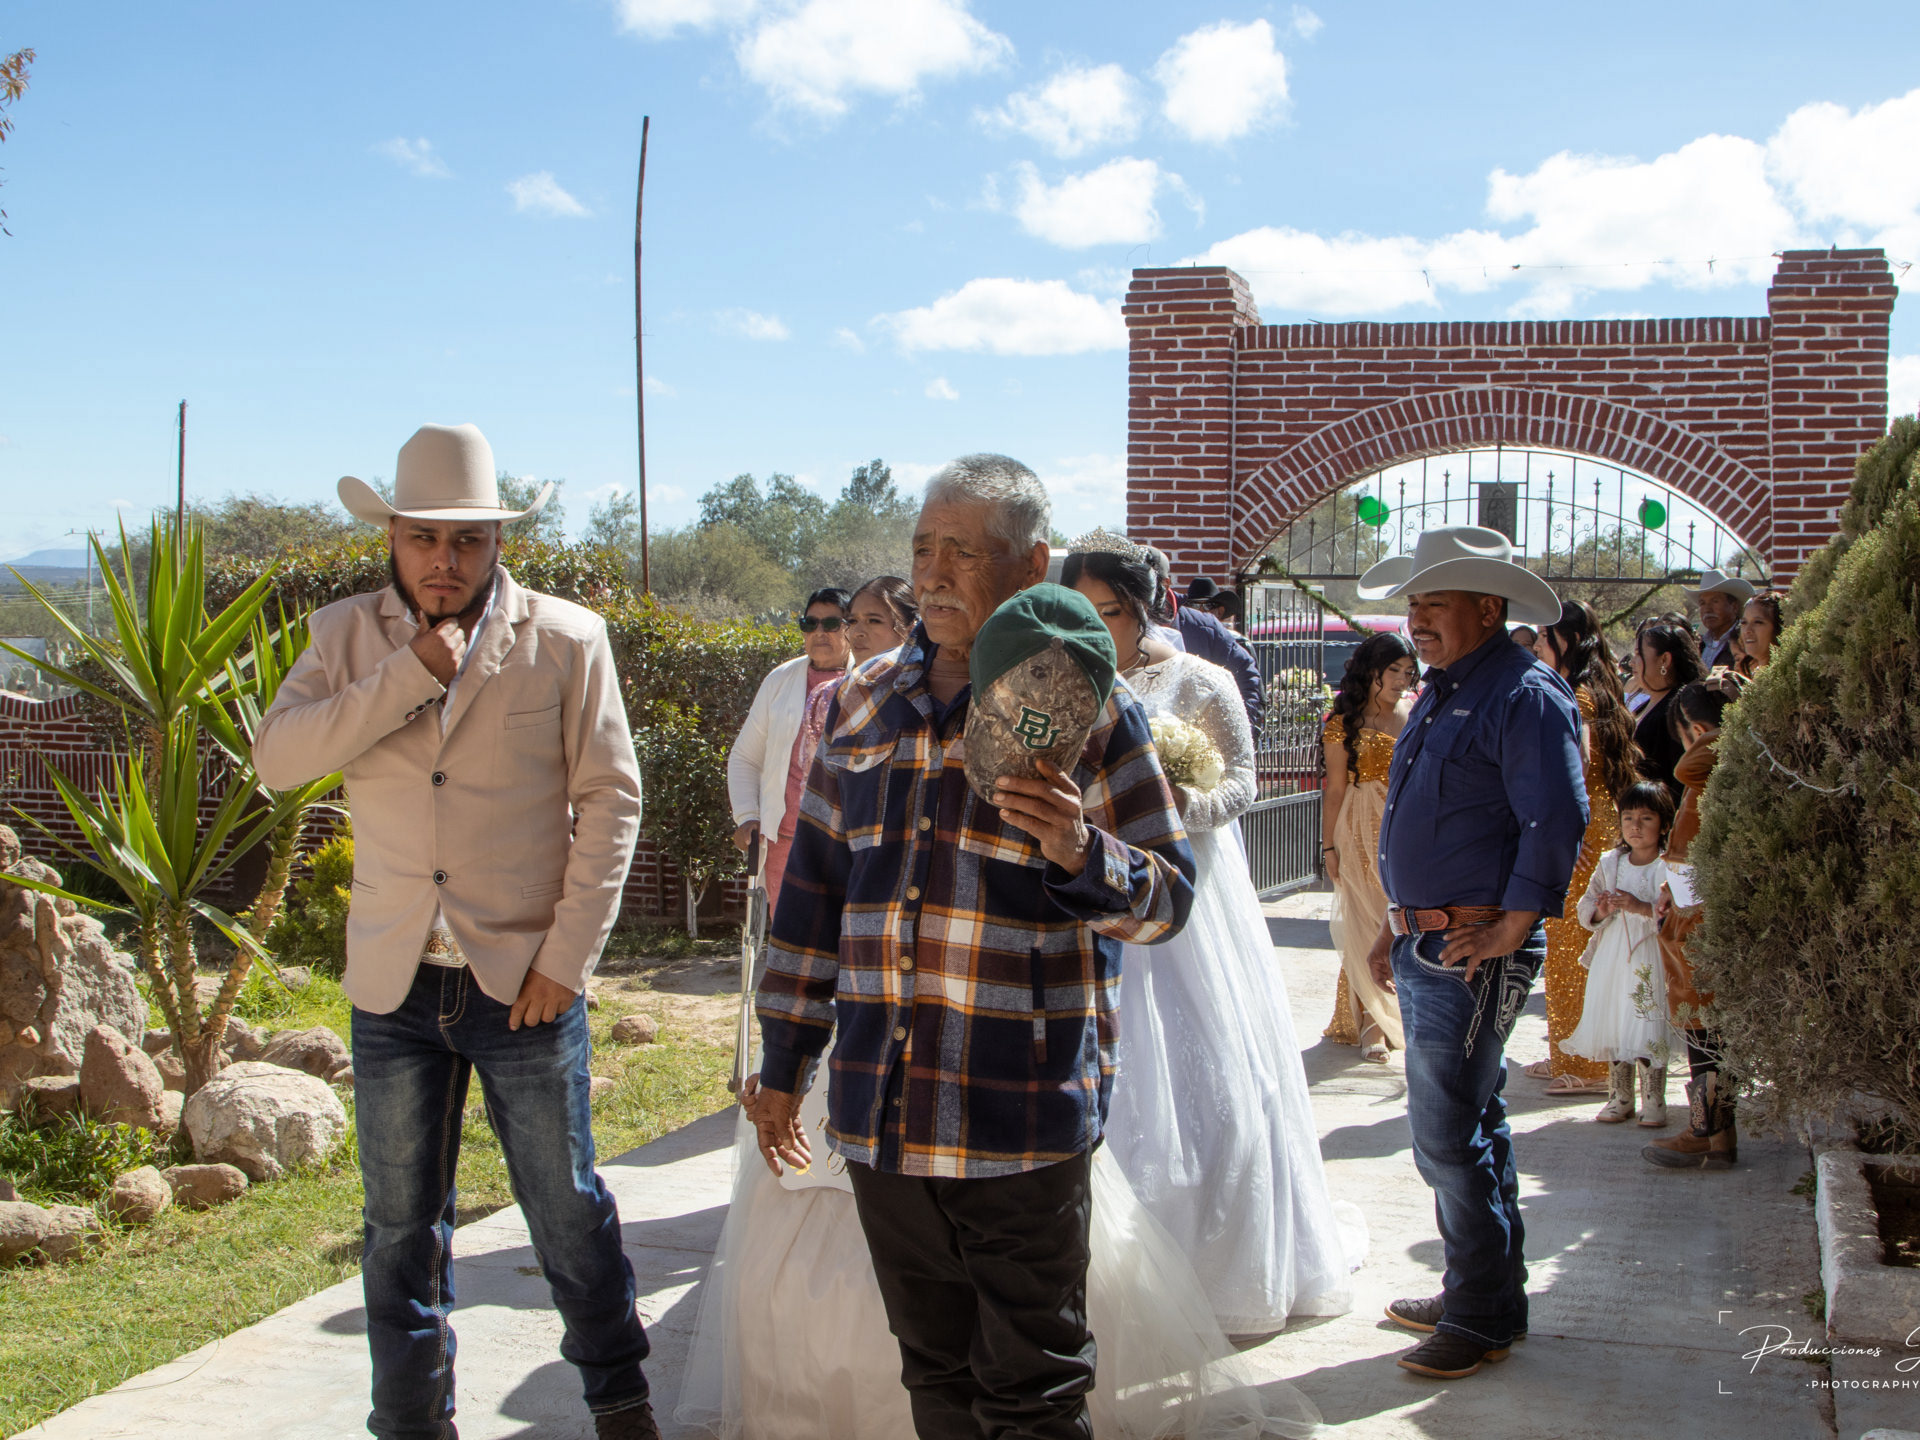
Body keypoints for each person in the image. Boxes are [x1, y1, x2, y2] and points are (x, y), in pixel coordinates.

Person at [750, 455, 1200, 1439]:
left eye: (965, 550)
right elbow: (812, 903)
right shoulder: (860, 704)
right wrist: (782, 1063)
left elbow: (1167, 902)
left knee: (1035, 1388)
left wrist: (1080, 849)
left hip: (1020, 1113)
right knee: (935, 1375)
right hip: (883, 1111)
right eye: (924, 549)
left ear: (1032, 563)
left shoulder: (1092, 710)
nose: (936, 573)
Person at [254, 424, 658, 1440]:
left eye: (468, 539)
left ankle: (621, 1405)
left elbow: (612, 799)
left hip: (523, 983)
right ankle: (411, 1424)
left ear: (497, 544)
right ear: (391, 536)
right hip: (393, 986)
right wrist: (407, 674)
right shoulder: (342, 637)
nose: (446, 559)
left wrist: (567, 959)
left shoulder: (568, 638)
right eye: (425, 536)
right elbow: (278, 760)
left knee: (565, 1210)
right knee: (398, 1228)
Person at [1066, 533, 1358, 1334]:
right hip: (1089, 884)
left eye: (1109, 612)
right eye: (1081, 612)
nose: (1095, 629)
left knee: (1213, 1084)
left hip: (1181, 890)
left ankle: (1213, 1266)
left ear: (1145, 607)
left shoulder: (1201, 679)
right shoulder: (1062, 677)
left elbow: (1241, 785)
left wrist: (1159, 808)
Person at [1356, 525, 1586, 1381]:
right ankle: (1482, 1295)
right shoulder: (1449, 689)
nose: (1416, 619)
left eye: (1434, 603)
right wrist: (1393, 922)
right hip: (1431, 938)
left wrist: (1513, 927)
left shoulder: (1523, 693)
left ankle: (1480, 1313)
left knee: (1447, 1135)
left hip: (1473, 948)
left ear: (1489, 608)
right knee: (1471, 1122)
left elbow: (1556, 818)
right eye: (1412, 603)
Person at [1525, 600, 1642, 1098]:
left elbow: (1578, 761)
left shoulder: (1577, 693)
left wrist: (1559, 825)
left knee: (1573, 944)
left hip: (1582, 828)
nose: (1536, 646)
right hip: (1593, 821)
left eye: (1543, 637)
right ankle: (1570, 1051)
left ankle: (1587, 1065)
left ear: (1567, 641)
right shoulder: (1595, 688)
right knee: (1572, 942)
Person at [1645, 679, 1740, 1171]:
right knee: (1705, 1033)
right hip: (1691, 912)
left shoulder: (1707, 767)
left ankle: (1705, 1131)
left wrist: (1712, 730)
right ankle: (1718, 1136)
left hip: (1700, 921)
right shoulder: (1718, 771)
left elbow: (1687, 766)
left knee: (1705, 1033)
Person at [1320, 631, 1418, 1061]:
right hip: (1358, 829)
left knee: (1398, 918)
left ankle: (1393, 1014)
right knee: (1368, 919)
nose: (1401, 679)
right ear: (1372, 670)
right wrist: (1329, 847)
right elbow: (1335, 790)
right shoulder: (1344, 722)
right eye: (1393, 670)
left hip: (1405, 826)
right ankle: (1373, 1025)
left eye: (1408, 672)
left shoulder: (1415, 712)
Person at [727, 587, 851, 914]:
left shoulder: (868, 679)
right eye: (810, 624)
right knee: (787, 937)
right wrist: (747, 816)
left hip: (846, 847)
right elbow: (745, 757)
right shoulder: (780, 680)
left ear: (851, 627)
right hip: (784, 843)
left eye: (831, 623)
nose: (819, 632)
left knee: (842, 938)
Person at [1563, 781, 1681, 1126]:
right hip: (1613, 957)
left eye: (1646, 818)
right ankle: (1620, 1096)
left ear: (1664, 824)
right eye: (1628, 818)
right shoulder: (1610, 863)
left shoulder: (1668, 866)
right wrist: (1601, 910)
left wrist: (1641, 907)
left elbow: (1677, 914)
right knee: (1616, 1019)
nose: (1635, 826)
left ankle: (1654, 1099)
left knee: (1648, 1022)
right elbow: (1586, 907)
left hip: (1651, 955)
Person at [1145, 546, 1266, 730]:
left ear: (1165, 584)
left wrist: (1238, 731)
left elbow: (1247, 677)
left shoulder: (1205, 628)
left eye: (1209, 605)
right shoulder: (1115, 621)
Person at [1630, 620, 1703, 802]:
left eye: (1638, 654)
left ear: (1665, 660)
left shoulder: (1679, 710)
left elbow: (1679, 780)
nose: (1631, 662)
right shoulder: (1648, 702)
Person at [1686, 568, 1756, 670]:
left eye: (1715, 601)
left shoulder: (1745, 642)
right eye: (1702, 603)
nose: (1707, 609)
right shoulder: (1699, 644)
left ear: (1734, 607)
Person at [845, 575, 916, 667]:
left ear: (910, 631)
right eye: (852, 621)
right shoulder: (845, 676)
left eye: (873, 621)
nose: (857, 633)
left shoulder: (927, 675)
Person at [1736, 591, 1782, 676]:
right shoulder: (1754, 675)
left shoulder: (1789, 677)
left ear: (1779, 628)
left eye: (1758, 622)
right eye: (1744, 622)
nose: (1747, 630)